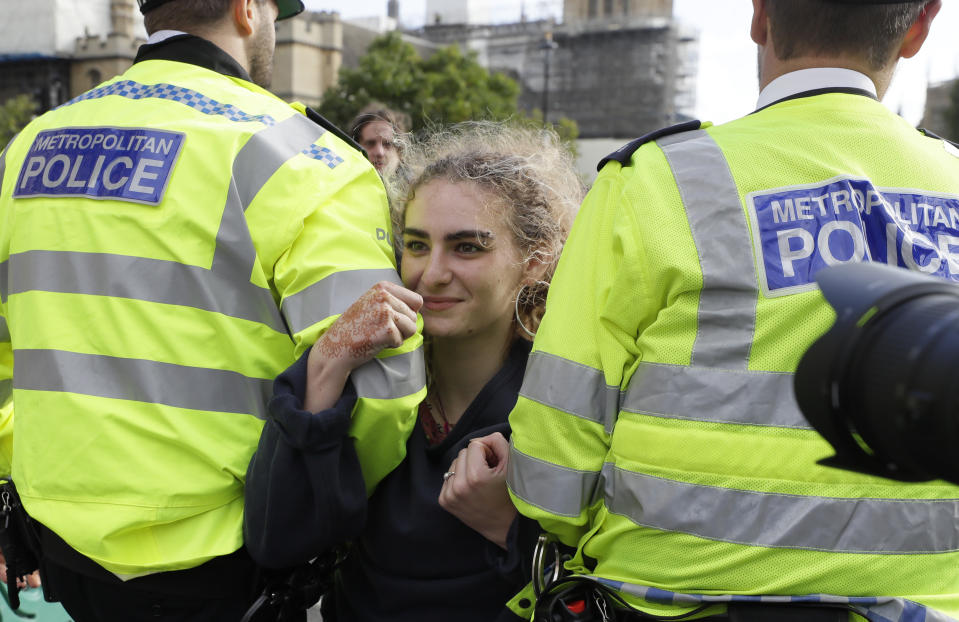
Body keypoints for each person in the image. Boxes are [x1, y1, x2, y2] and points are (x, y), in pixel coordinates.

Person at [507, 1, 959, 621]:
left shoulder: (653, 181)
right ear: (920, 27)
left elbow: (554, 458)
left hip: (669, 601)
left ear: (760, 16)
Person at [0, 0, 425, 619]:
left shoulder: (27, 149)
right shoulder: (306, 157)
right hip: (229, 560)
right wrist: (307, 510)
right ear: (248, 9)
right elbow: (384, 389)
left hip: (64, 545)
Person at [244, 121, 583, 621]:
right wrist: (327, 364)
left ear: (537, 260)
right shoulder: (372, 376)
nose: (432, 273)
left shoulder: (567, 394)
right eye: (418, 245)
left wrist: (512, 527)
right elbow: (278, 540)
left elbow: (610, 571)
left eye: (468, 247)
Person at [349, 104, 410, 177]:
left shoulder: (419, 187)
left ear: (399, 152)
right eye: (370, 143)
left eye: (388, 144)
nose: (379, 152)